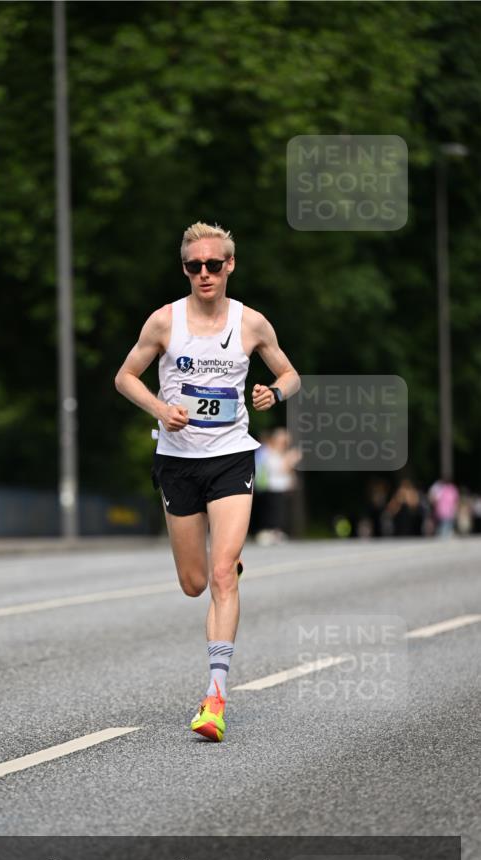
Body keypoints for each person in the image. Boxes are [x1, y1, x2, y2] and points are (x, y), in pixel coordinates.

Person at [115, 221, 300, 742]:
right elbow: (124, 377)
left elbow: (291, 375)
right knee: (194, 582)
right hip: (177, 462)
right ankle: (224, 567)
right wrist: (160, 409)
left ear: (229, 265)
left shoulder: (251, 323)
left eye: (213, 265)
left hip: (232, 457)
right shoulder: (164, 322)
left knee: (221, 575)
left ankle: (215, 697)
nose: (204, 273)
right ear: (185, 269)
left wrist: (273, 394)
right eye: (194, 266)